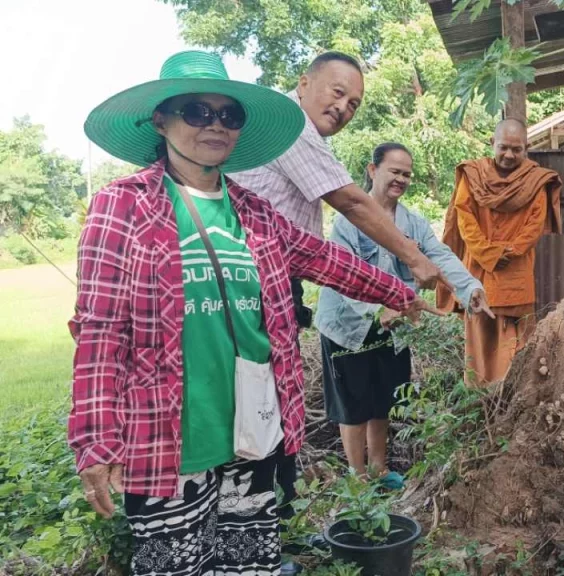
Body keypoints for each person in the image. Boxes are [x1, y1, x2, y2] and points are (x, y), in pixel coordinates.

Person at [70, 51, 436, 576]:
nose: (215, 125)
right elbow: (99, 331)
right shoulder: (121, 207)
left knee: (252, 566)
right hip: (169, 435)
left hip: (253, 432)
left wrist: (398, 293)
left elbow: (325, 260)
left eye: (229, 115)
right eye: (197, 111)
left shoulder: (255, 213)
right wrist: (95, 439)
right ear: (161, 119)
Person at [229, 51, 449, 518]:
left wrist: (400, 292)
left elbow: (318, 257)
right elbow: (350, 206)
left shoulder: (300, 137)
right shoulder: (289, 123)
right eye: (338, 92)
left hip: (279, 283)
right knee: (252, 406)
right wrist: (411, 260)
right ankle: (257, 522)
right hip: (249, 288)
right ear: (304, 81)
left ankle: (268, 524)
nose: (345, 108)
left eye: (354, 103)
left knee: (271, 402)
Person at [316, 142, 493, 488]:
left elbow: (439, 255)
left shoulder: (412, 222)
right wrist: (376, 310)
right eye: (394, 171)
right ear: (372, 170)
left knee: (385, 396)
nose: (401, 179)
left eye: (406, 174)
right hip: (348, 324)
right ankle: (357, 478)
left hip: (396, 323)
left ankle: (380, 470)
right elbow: (342, 272)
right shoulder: (349, 220)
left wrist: (469, 289)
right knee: (354, 405)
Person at [437, 118, 563, 387]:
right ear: (492, 143)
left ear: (526, 148)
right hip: (478, 272)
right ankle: (481, 401)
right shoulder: (473, 175)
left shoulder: (535, 180)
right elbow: (464, 220)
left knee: (519, 348)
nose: (509, 155)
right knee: (479, 343)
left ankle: (515, 402)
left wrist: (505, 251)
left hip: (516, 272)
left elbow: (534, 227)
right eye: (504, 147)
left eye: (516, 150)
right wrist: (489, 252)